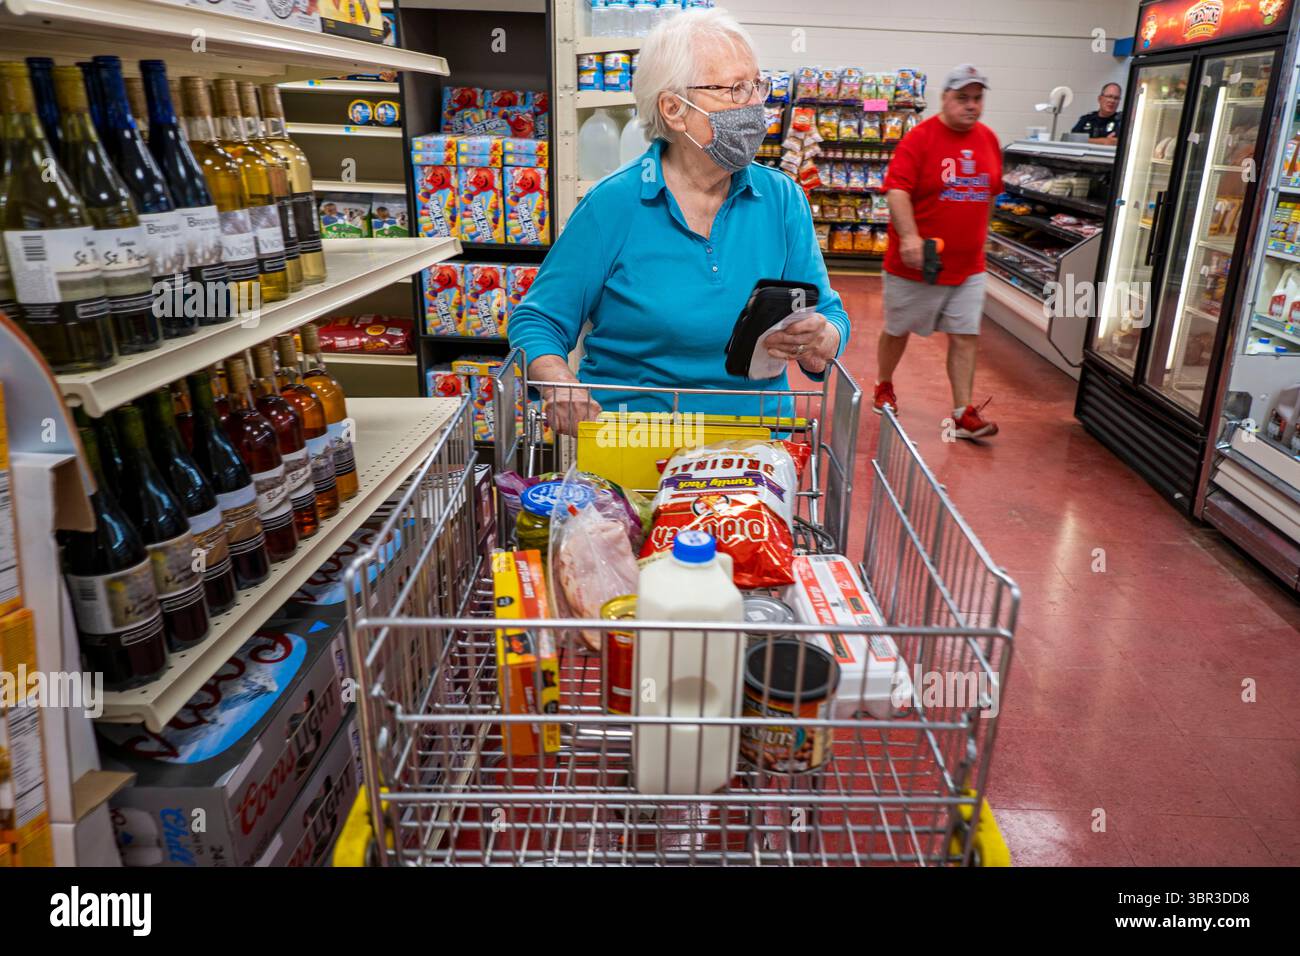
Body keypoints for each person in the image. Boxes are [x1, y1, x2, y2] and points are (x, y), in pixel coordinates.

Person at [507, 8, 849, 435]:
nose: (756, 105)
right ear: (673, 108)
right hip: (636, 444)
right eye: (735, 90)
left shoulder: (781, 200)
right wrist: (558, 382)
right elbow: (538, 320)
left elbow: (830, 317)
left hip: (755, 448)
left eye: (758, 86)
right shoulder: (612, 205)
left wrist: (821, 338)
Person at [874, 64, 1001, 440]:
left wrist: (983, 234)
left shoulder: (989, 139)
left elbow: (991, 192)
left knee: (965, 335)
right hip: (916, 265)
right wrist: (910, 238)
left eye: (977, 99)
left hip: (968, 266)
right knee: (898, 330)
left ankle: (963, 413)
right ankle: (884, 383)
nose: (971, 106)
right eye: (963, 98)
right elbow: (897, 190)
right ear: (945, 98)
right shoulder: (920, 139)